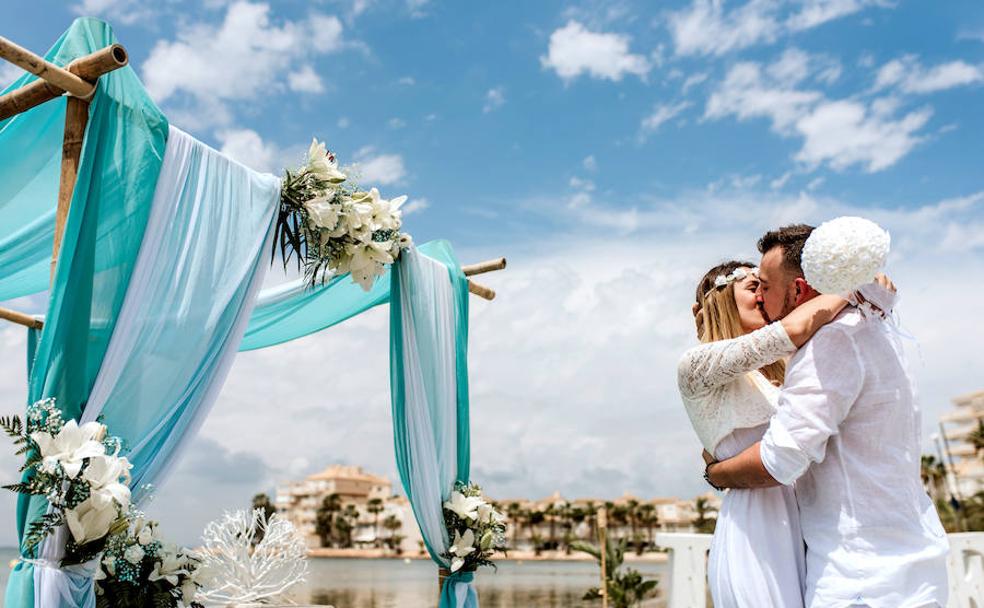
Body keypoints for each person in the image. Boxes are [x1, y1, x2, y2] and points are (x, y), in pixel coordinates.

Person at [705, 224, 949, 608]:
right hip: (915, 569)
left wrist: (716, 472)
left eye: (764, 286)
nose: (762, 299)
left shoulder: (832, 342)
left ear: (799, 290)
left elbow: (780, 461)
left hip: (861, 579)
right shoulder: (877, 327)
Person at [678, 258, 848, 607]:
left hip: (807, 524)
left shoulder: (779, 371)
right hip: (755, 528)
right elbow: (792, 329)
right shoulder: (694, 365)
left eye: (765, 289)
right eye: (754, 287)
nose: (763, 297)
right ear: (720, 301)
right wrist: (853, 285)